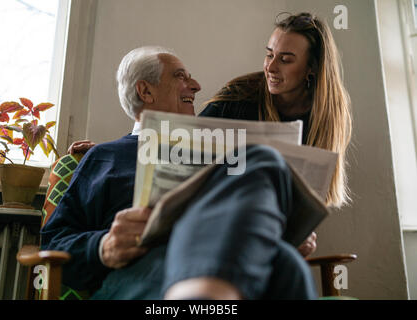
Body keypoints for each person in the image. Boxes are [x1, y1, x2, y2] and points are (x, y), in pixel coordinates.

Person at [40, 45, 318, 300]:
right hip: (144, 271)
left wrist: (289, 233)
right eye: (181, 77)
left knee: (284, 250)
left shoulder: (222, 153)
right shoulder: (103, 158)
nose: (196, 86)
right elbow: (54, 241)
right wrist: (104, 246)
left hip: (233, 264)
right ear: (145, 91)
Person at [200, 12, 352, 208]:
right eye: (269, 54)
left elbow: (315, 197)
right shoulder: (237, 95)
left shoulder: (329, 110)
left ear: (312, 68)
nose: (270, 67)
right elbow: (189, 153)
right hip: (222, 209)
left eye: (285, 60)